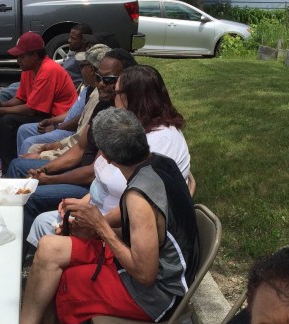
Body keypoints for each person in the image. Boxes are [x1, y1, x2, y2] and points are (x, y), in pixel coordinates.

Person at [18, 108, 199, 324]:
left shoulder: (138, 195)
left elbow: (145, 274)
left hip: (154, 296)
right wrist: (91, 219)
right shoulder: (160, 164)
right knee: (49, 247)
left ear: (106, 156)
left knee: (49, 281)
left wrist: (101, 228)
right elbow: (141, 220)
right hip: (158, 274)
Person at [27, 64, 192, 249]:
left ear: (132, 97)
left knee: (44, 230)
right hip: (97, 214)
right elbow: (101, 179)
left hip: (121, 234)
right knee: (42, 222)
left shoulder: (160, 142)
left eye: (117, 92)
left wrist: (93, 224)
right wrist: (83, 204)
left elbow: (143, 204)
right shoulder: (130, 130)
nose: (114, 98)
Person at [8, 49, 136, 237]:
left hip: (89, 186)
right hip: (79, 172)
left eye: (109, 80)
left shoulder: (122, 122)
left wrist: (50, 179)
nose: (100, 84)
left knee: (29, 195)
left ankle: (20, 246)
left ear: (126, 81)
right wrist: (45, 169)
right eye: (98, 78)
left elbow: (93, 172)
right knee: (17, 165)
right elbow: (79, 148)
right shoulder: (103, 105)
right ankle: (11, 231)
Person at [0, 31, 77, 172]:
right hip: (45, 112)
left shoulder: (48, 69)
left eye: (22, 56)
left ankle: (9, 167)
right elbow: (21, 98)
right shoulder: (28, 69)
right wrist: (0, 104)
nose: (18, 60)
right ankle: (0, 162)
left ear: (34, 56)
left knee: (8, 120)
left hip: (57, 118)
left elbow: (31, 110)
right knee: (0, 115)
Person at [15, 43, 111, 158]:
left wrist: (56, 127)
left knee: (30, 142)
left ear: (91, 69)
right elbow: (72, 113)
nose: (80, 69)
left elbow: (80, 122)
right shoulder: (87, 88)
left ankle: (23, 165)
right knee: (23, 129)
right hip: (63, 124)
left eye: (82, 66)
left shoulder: (98, 94)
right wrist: (51, 121)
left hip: (71, 131)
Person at [0, 23, 92, 103]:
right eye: (70, 37)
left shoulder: (83, 59)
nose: (69, 40)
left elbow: (82, 85)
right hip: (50, 83)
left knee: (4, 93)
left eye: (73, 38)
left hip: (54, 89)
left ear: (84, 40)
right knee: (12, 86)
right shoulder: (74, 53)